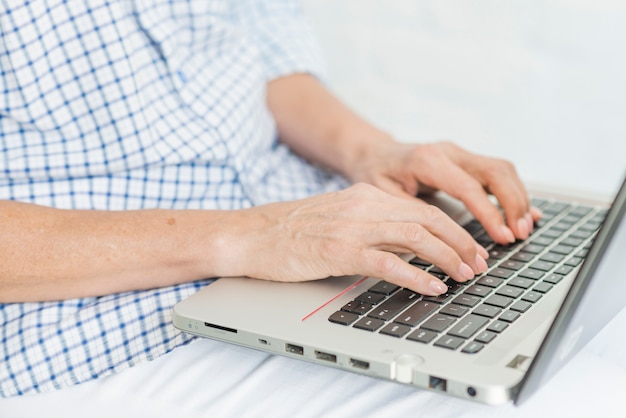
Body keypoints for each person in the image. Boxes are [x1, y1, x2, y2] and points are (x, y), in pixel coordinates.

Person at [0, 0, 540, 398]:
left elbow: (262, 54)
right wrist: (258, 236)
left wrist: (370, 151)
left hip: (313, 240)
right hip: (111, 332)